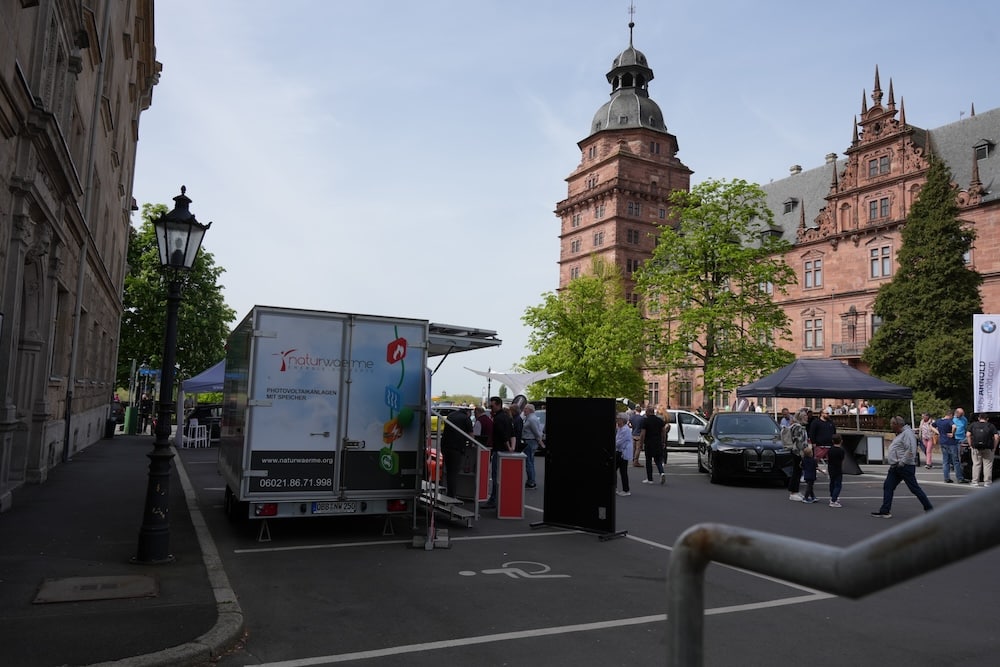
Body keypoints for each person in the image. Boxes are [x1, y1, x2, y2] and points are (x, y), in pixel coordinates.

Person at [871, 416, 933, 518]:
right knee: (888, 486)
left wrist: (902, 462)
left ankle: (929, 508)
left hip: (904, 466)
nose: (891, 426)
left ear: (897, 424)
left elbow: (911, 450)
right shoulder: (902, 434)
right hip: (896, 466)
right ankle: (885, 510)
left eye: (892, 424)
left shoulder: (907, 434)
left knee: (914, 488)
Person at [483, 396, 515, 509]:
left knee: (496, 476)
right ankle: (500, 499)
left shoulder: (498, 418)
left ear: (497, 404)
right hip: (505, 450)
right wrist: (512, 448)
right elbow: (512, 433)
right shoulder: (506, 417)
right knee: (503, 476)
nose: (491, 408)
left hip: (499, 449)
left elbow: (503, 435)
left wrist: (508, 445)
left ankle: (494, 499)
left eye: (492, 405)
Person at [440, 406, 474, 498]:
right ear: (468, 413)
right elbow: (471, 435)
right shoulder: (466, 418)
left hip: (446, 446)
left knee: (448, 471)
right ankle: (452, 495)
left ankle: (448, 492)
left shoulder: (451, 415)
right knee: (454, 472)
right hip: (456, 448)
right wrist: (471, 444)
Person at [933, 410, 966, 484]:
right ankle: (960, 478)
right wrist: (952, 433)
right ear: (950, 415)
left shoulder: (939, 421)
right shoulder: (949, 421)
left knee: (945, 460)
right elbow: (954, 426)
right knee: (956, 460)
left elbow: (931, 426)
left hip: (942, 441)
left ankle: (946, 478)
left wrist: (937, 432)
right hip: (951, 442)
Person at [967, 413, 998, 487]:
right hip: (988, 447)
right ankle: (987, 482)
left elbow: (968, 435)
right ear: (987, 419)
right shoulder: (991, 426)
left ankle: (975, 481)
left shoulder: (973, 425)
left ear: (979, 418)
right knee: (988, 465)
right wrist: (994, 447)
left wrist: (970, 445)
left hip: (976, 447)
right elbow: (996, 437)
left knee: (976, 464)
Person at [638, 406, 668, 484]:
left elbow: (643, 434)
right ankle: (662, 473)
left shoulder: (646, 421)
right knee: (658, 460)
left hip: (649, 443)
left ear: (648, 412)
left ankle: (650, 479)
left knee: (648, 461)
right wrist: (663, 442)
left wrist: (641, 443)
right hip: (658, 443)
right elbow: (663, 432)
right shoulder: (659, 420)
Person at [785, 408, 809, 501]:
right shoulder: (798, 427)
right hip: (797, 452)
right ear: (801, 417)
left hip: (797, 452)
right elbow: (799, 441)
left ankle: (796, 490)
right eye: (805, 416)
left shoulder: (797, 426)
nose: (807, 417)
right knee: (796, 472)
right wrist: (803, 452)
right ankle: (793, 492)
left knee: (798, 472)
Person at [521, 404, 544, 489]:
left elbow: (536, 432)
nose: (524, 410)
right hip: (531, 441)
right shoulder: (531, 418)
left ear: (530, 410)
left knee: (529, 462)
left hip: (530, 441)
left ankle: (531, 482)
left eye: (525, 409)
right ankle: (531, 481)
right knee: (530, 461)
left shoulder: (531, 419)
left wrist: (540, 441)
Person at [614, 413, 633, 496]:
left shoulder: (625, 429)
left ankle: (626, 490)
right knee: (617, 470)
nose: (617, 420)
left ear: (623, 420)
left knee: (623, 471)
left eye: (618, 419)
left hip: (623, 453)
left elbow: (619, 442)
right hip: (619, 452)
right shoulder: (620, 428)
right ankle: (619, 488)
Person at [827, 433, 845, 507]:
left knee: (832, 483)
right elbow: (842, 459)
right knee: (838, 485)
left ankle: (832, 496)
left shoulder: (830, 449)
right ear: (841, 441)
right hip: (838, 468)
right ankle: (834, 500)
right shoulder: (841, 450)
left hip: (831, 468)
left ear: (832, 441)